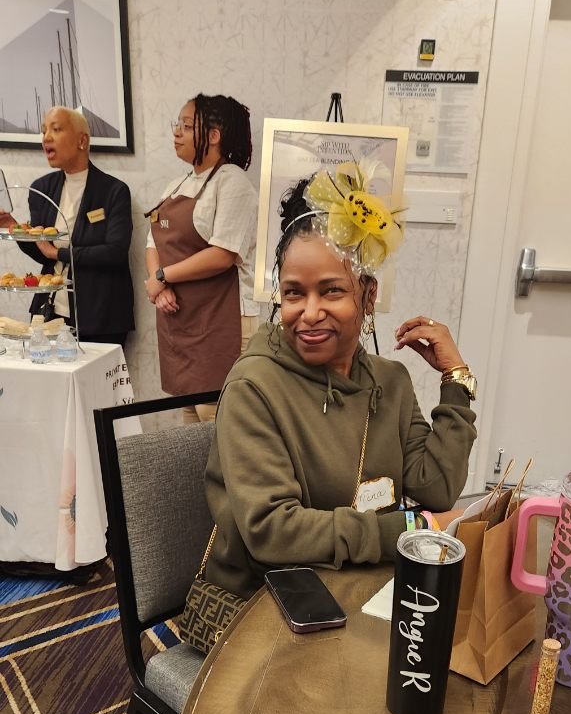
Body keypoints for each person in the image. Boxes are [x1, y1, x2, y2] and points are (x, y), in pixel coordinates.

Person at [204, 163, 477, 599]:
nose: (309, 313)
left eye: (331, 291)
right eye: (294, 293)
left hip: (360, 583)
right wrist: (408, 529)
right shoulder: (253, 388)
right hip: (266, 599)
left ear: (368, 295)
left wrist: (455, 379)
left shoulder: (390, 380)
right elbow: (272, 531)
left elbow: (437, 488)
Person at [145, 93, 258, 423]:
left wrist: (164, 277)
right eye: (176, 124)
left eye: (186, 125)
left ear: (214, 135)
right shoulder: (175, 185)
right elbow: (153, 240)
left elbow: (222, 255)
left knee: (220, 422)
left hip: (221, 322)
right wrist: (158, 284)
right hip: (183, 319)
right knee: (189, 419)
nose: (176, 132)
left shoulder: (232, 182)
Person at [0, 106, 134, 347]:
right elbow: (40, 250)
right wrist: (15, 227)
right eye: (43, 131)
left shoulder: (114, 191)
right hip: (49, 312)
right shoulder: (41, 189)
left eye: (56, 129)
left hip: (101, 315)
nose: (46, 138)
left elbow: (115, 252)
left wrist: (58, 252)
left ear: (82, 140)